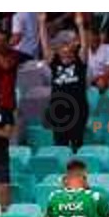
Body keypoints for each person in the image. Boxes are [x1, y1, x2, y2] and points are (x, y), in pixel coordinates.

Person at [39, 13, 89, 153]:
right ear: (58, 50)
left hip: (78, 109)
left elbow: (84, 46)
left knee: (77, 145)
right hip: (58, 109)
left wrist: (80, 25)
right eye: (62, 47)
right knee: (60, 146)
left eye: (68, 47)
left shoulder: (80, 63)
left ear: (73, 49)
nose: (65, 50)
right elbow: (44, 45)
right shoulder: (54, 62)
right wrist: (41, 24)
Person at [87, 27, 109, 92]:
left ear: (98, 37)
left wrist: (97, 78)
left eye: (93, 36)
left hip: (106, 79)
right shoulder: (86, 51)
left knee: (101, 83)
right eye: (89, 37)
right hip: (91, 79)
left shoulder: (108, 48)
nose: (92, 38)